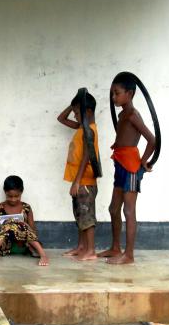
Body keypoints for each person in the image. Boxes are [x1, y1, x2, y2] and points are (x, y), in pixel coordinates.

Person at [99, 72, 161, 265]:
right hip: (120, 165)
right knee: (113, 208)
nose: (114, 97)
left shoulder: (133, 115)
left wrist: (144, 161)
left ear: (130, 93)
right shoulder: (122, 114)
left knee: (129, 211)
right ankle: (116, 247)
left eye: (117, 93)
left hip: (131, 168)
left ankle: (129, 255)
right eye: (113, 94)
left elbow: (152, 140)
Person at [58, 88, 102, 262]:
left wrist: (76, 182)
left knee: (87, 216)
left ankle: (90, 250)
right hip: (80, 180)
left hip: (84, 181)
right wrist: (74, 104)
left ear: (88, 112)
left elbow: (86, 156)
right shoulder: (82, 127)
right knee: (79, 215)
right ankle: (81, 246)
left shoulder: (89, 130)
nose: (75, 115)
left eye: (77, 112)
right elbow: (61, 119)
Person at [0, 175, 48, 266]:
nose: (13, 199)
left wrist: (27, 234)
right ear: (5, 192)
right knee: (9, 224)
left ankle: (43, 255)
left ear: (22, 192)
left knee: (22, 225)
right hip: (5, 246)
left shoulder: (26, 208)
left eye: (17, 196)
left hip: (23, 245)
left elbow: (32, 228)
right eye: (10, 196)